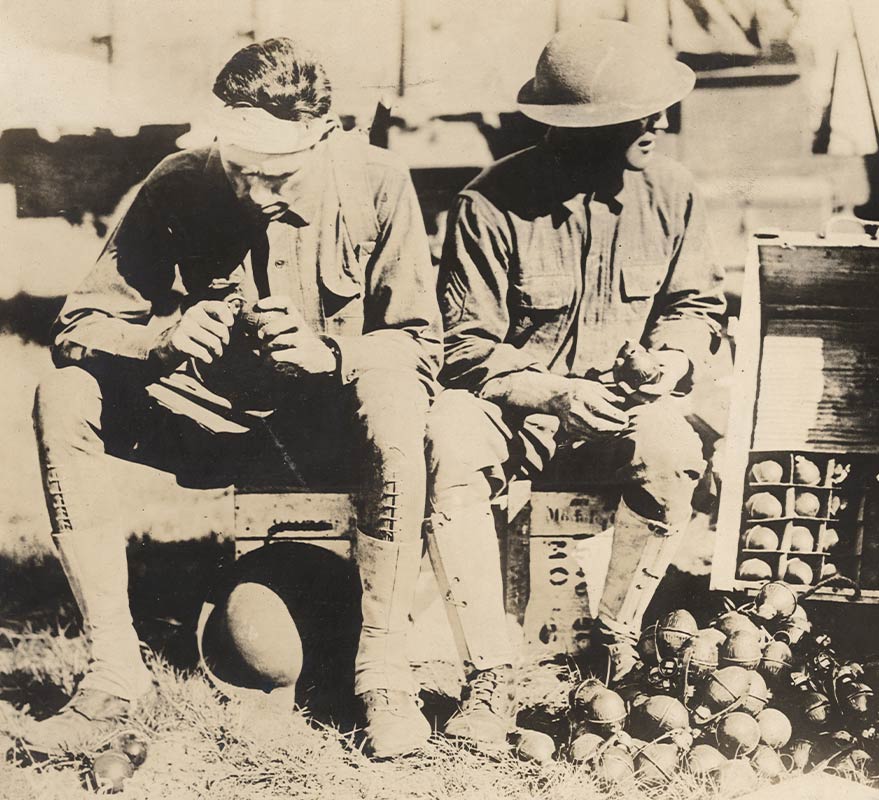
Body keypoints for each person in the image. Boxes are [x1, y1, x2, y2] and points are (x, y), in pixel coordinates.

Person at [27, 37, 440, 759]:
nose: (255, 192)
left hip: (336, 427)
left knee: (396, 395)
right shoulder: (178, 181)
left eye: (279, 175)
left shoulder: (377, 180)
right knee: (65, 396)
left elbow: (421, 344)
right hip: (212, 427)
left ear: (322, 133)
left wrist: (330, 353)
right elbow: (76, 327)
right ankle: (114, 672)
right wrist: (160, 339)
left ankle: (383, 672)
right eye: (241, 168)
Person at [426, 20, 726, 747]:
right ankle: (489, 676)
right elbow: (462, 347)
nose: (659, 123)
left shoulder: (675, 194)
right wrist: (552, 393)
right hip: (520, 420)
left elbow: (696, 307)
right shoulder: (488, 205)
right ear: (579, 128)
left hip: (622, 417)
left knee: (673, 446)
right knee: (449, 439)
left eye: (659, 108)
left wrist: (669, 360)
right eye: (638, 114)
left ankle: (612, 644)